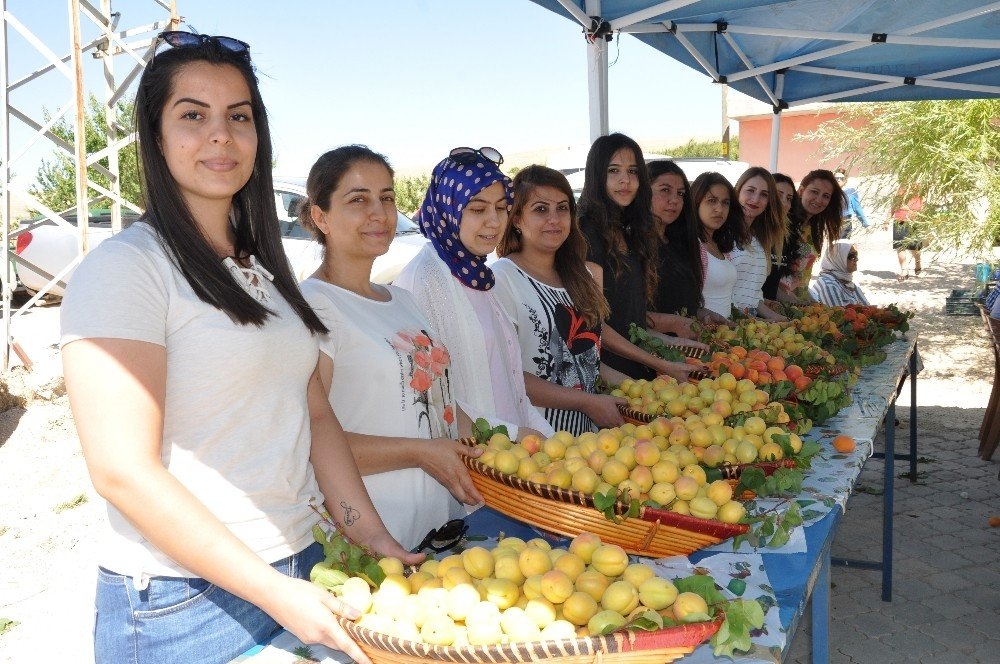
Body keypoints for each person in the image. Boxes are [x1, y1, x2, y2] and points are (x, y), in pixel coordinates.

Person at [59, 33, 419, 664]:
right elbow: (123, 471)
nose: (220, 135)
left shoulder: (262, 270)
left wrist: (375, 539)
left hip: (302, 563)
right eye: (193, 115)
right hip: (184, 605)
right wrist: (277, 594)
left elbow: (315, 417)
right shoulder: (126, 269)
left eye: (239, 116)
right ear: (156, 135)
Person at [297, 146, 482, 551]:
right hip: (373, 537)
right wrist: (418, 453)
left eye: (387, 197)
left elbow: (440, 404)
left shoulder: (401, 300)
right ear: (320, 216)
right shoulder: (312, 306)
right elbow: (306, 438)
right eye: (358, 200)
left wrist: (499, 448)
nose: (380, 213)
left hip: (441, 529)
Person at [393, 147, 553, 441]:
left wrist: (548, 438)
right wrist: (517, 437)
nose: (494, 221)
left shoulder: (479, 276)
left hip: (509, 461)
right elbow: (432, 398)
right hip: (474, 464)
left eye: (502, 207)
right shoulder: (423, 279)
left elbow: (511, 385)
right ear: (448, 210)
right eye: (478, 209)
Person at [492, 165, 626, 434]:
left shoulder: (582, 275)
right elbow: (509, 375)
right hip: (538, 441)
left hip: (593, 439)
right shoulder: (501, 278)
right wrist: (589, 402)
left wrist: (637, 388)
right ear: (516, 218)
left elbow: (587, 361)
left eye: (562, 208)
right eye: (541, 209)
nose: (554, 219)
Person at [577, 134, 706, 381]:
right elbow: (594, 326)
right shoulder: (588, 233)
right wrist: (657, 362)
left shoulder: (627, 231)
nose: (625, 180)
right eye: (613, 170)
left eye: (633, 171)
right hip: (608, 379)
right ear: (596, 175)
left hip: (636, 372)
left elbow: (629, 319)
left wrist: (671, 339)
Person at [647, 160, 726, 325]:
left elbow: (683, 303)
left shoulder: (683, 245)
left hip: (687, 347)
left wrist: (703, 313)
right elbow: (625, 315)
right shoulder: (629, 246)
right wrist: (675, 325)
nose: (674, 200)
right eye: (665, 190)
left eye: (680, 193)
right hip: (646, 349)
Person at [770, 169, 844, 302]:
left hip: (799, 304)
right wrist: (800, 306)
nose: (819, 200)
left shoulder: (812, 228)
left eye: (826, 196)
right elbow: (773, 278)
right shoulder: (784, 226)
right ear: (801, 191)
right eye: (814, 192)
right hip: (775, 304)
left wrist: (814, 304)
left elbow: (801, 278)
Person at [731, 167, 787, 320]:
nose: (755, 199)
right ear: (738, 191)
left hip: (750, 327)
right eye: (750, 190)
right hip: (725, 324)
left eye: (764, 195)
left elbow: (752, 297)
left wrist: (780, 320)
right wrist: (759, 323)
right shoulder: (723, 234)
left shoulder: (759, 240)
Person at [691, 171, 745, 319]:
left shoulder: (720, 245)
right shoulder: (691, 245)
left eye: (725, 202)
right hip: (701, 334)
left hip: (724, 335)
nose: (719, 209)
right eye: (711, 200)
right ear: (696, 202)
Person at [809, 240, 870, 306]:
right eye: (852, 256)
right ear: (838, 258)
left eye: (856, 255)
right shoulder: (829, 285)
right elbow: (839, 315)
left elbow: (869, 309)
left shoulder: (848, 282)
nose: (856, 259)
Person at [891, 190, 926, 281]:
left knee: (915, 247)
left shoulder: (920, 189)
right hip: (899, 222)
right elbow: (893, 205)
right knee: (900, 247)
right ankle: (904, 270)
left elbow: (924, 206)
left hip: (914, 222)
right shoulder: (900, 191)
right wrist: (887, 220)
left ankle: (918, 265)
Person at [834, 168, 870, 238]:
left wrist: (865, 224)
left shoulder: (850, 192)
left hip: (845, 222)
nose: (838, 180)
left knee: (843, 244)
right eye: (836, 178)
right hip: (832, 222)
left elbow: (857, 208)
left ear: (845, 180)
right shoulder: (828, 192)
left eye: (841, 178)